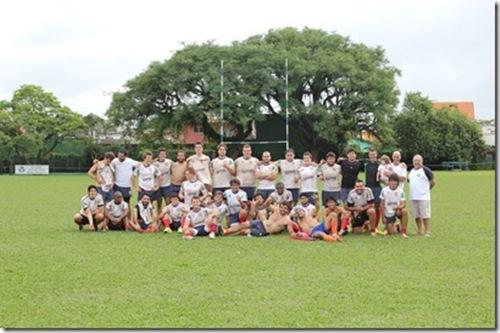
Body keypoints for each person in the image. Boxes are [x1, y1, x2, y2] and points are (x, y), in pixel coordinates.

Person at [408, 154, 436, 236]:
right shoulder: (411, 171)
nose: (416, 162)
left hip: (423, 197)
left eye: (418, 160)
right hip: (413, 196)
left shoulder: (426, 170)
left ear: (421, 161)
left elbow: (433, 181)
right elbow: (409, 181)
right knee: (416, 215)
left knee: (425, 215)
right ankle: (420, 230)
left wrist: (427, 189)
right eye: (415, 160)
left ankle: (427, 231)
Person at [380, 173, 409, 238]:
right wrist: (383, 216)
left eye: (395, 181)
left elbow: (404, 203)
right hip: (388, 213)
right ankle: (396, 226)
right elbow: (381, 204)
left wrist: (398, 208)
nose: (393, 183)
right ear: (389, 181)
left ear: (397, 182)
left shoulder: (400, 191)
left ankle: (404, 230)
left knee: (404, 211)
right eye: (391, 181)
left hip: (397, 211)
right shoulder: (384, 190)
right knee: (392, 232)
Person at [364, 148, 384, 234]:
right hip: (368, 187)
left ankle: (375, 226)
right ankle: (366, 225)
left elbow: (389, 164)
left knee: (377, 206)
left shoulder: (380, 164)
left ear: (376, 155)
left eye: (374, 154)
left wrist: (402, 164)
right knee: (367, 206)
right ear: (369, 155)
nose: (372, 156)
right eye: (371, 154)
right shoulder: (365, 163)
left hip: (377, 187)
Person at [153, 148, 174, 215]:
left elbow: (174, 167)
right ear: (158, 155)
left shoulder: (169, 162)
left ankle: (169, 217)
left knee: (168, 203)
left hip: (167, 185)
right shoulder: (155, 163)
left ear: (166, 155)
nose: (162, 155)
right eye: (161, 154)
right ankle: (159, 218)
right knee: (159, 203)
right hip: (158, 186)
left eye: (164, 154)